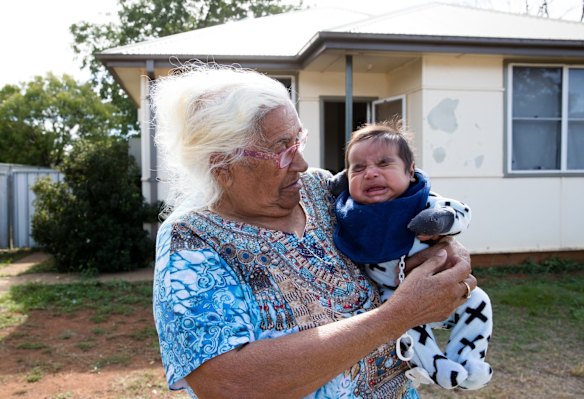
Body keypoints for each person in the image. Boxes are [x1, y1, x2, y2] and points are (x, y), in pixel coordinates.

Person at [151, 63, 477, 399]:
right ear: (221, 166)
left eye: (298, 140)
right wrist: (396, 316)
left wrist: (444, 248)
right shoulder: (191, 239)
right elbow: (229, 385)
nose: (301, 163)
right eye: (282, 149)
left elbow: (407, 217)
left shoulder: (322, 190)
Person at [330, 122, 493, 390]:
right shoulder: (348, 211)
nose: (370, 173)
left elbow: (460, 211)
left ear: (410, 171)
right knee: (404, 322)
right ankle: (436, 367)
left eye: (384, 163)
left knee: (478, 301)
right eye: (358, 168)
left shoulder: (420, 200)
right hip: (392, 294)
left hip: (443, 284)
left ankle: (469, 357)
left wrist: (441, 222)